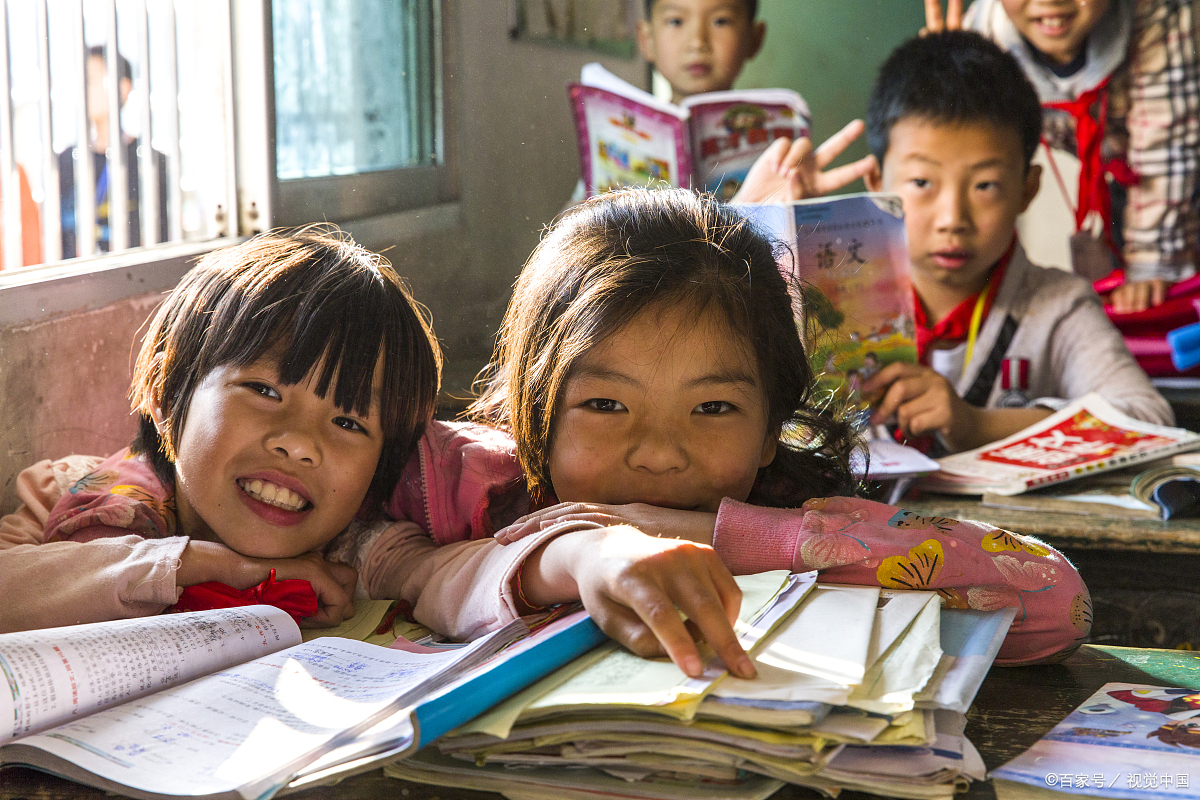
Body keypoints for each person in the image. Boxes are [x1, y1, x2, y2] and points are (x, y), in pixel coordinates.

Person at [0, 227, 755, 682]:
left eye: (350, 424)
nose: (299, 443)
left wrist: (592, 556)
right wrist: (209, 566)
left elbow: (450, 570)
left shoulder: (348, 534)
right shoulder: (115, 500)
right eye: (265, 391)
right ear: (169, 394)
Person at [387, 187, 1091, 665]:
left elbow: (1058, 606)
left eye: (713, 408)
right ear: (535, 408)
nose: (660, 453)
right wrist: (582, 551)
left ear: (769, 427)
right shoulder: (471, 485)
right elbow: (380, 554)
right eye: (606, 405)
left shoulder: (788, 517)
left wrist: (720, 536)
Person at [851, 30, 1172, 453]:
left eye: (985, 185)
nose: (953, 219)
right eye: (922, 182)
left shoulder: (1058, 305)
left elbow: (1149, 420)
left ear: (1027, 188)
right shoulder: (834, 304)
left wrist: (979, 425)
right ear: (877, 184)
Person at [924, 0, 1200, 314]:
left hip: (1175, 175)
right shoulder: (979, 35)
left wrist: (1153, 266)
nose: (1051, 2)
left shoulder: (1158, 13)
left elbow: (1164, 149)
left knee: (1162, 301)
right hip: (1127, 187)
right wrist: (946, 89)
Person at [59, 46, 168, 259]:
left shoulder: (148, 162)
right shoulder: (65, 161)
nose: (82, 91)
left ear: (122, 88)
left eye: (90, 80)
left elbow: (162, 238)